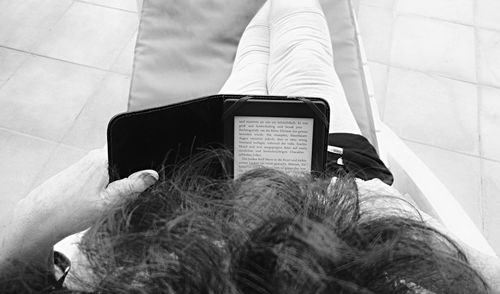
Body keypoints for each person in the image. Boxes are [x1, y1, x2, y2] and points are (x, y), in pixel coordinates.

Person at [1, 0, 499, 293]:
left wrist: (26, 230)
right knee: (302, 43)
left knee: (252, 58)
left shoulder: (94, 277)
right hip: (333, 171)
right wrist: (375, 208)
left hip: (222, 170)